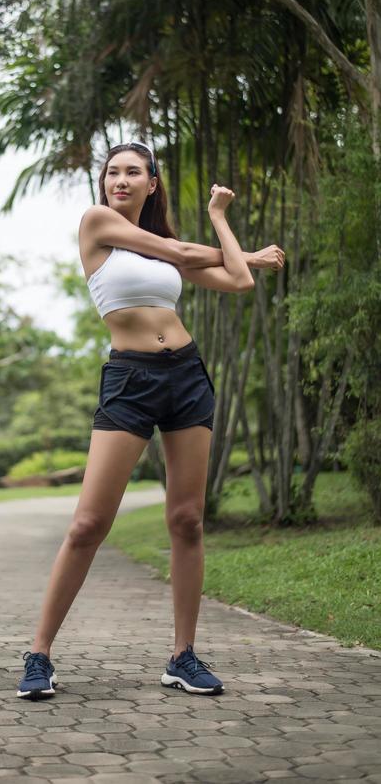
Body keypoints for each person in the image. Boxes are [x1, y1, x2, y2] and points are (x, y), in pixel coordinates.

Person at [17, 141, 285, 701]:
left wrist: (221, 221)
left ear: (152, 183)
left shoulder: (165, 254)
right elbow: (185, 251)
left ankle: (182, 656)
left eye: (133, 172)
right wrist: (239, 252)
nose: (120, 180)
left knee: (187, 519)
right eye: (112, 172)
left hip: (186, 376)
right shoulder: (97, 225)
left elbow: (238, 280)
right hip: (130, 382)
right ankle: (39, 654)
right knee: (88, 524)